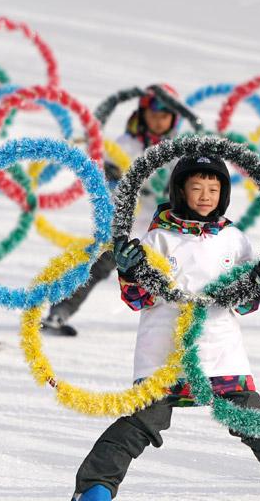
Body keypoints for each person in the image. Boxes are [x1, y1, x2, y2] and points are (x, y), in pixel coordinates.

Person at [68, 155, 260, 501]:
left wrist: (258, 288)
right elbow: (138, 298)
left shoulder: (234, 240)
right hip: (165, 351)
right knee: (145, 421)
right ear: (179, 190)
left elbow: (243, 304)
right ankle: (93, 491)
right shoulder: (158, 239)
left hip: (220, 349)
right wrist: (129, 270)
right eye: (197, 187)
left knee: (256, 420)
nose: (206, 196)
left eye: (214, 189)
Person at [41, 85, 181, 336]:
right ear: (142, 114)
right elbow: (105, 177)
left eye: (164, 117)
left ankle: (185, 325)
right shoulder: (125, 145)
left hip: (164, 223)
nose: (158, 122)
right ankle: (59, 312)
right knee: (99, 263)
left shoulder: (178, 150)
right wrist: (114, 179)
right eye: (153, 115)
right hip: (128, 219)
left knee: (177, 270)